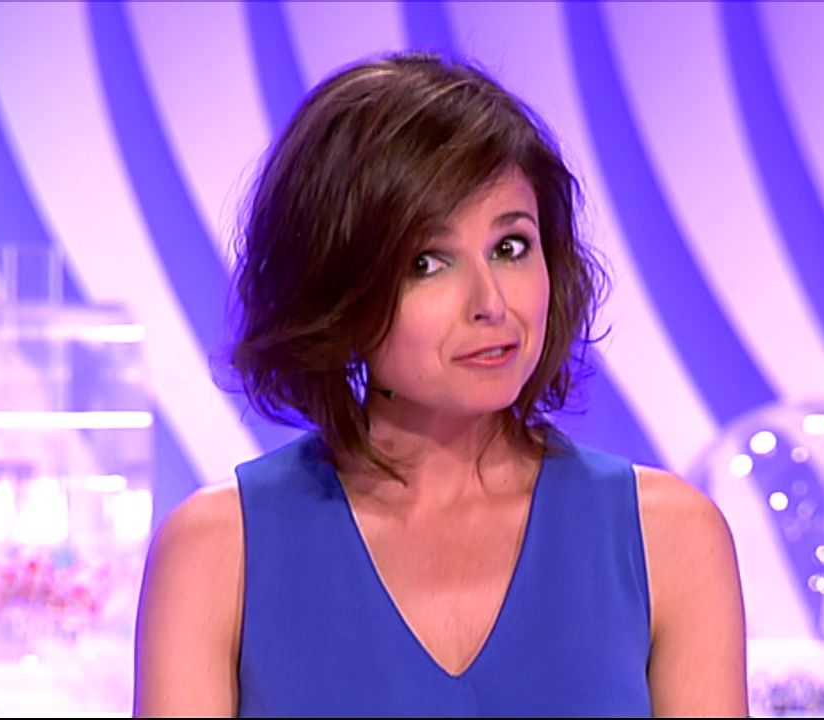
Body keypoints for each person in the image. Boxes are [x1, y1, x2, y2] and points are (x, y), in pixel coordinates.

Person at [133, 52, 747, 717]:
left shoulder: (669, 540)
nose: (491, 303)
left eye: (510, 248)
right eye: (428, 262)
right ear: (336, 287)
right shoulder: (218, 553)